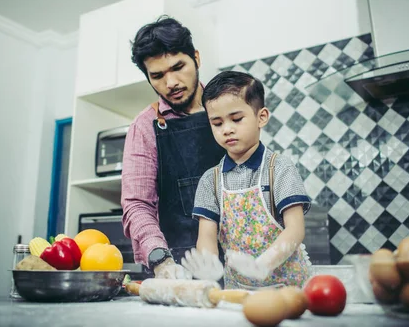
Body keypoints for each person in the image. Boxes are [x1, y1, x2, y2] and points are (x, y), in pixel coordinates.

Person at [184, 70, 312, 289]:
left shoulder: (279, 167)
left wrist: (264, 263)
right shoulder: (210, 180)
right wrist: (209, 264)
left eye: (236, 119)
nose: (227, 129)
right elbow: (206, 236)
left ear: (261, 117)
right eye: (217, 123)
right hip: (238, 292)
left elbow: (295, 229)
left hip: (289, 289)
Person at [120, 16, 225, 279]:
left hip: (243, 264)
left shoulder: (229, 109)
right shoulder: (145, 126)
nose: (171, 83)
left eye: (178, 67)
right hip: (178, 269)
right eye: (157, 75)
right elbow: (137, 206)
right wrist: (161, 260)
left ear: (196, 58)